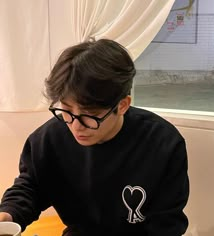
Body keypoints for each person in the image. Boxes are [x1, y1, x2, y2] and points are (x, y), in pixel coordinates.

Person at [0, 38, 189, 236]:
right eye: (66, 109)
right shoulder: (48, 139)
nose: (75, 126)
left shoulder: (162, 143)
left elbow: (166, 225)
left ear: (122, 105)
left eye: (90, 115)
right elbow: (31, 186)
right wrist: (8, 214)